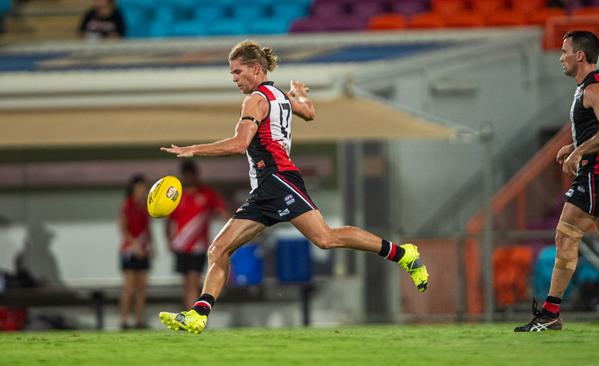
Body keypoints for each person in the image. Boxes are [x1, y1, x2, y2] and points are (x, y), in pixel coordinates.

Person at [158, 40, 429, 334]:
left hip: (278, 179)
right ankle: (199, 314)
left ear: (255, 68)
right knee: (218, 249)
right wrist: (298, 95)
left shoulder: (255, 100)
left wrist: (194, 149)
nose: (233, 78)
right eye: (231, 73)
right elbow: (310, 114)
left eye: (237, 72)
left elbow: (240, 144)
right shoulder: (280, 96)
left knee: (326, 238)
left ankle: (404, 255)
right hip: (265, 189)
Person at [515, 30, 599, 332]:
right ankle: (551, 314)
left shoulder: (595, 89)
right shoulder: (592, 87)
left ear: (580, 56)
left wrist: (580, 153)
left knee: (566, 235)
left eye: (564, 51)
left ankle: (550, 313)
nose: (560, 57)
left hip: (598, 174)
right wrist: (574, 146)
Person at [166, 160, 228, 309]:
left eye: (190, 174)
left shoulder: (206, 194)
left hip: (198, 247)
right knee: (186, 284)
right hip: (181, 246)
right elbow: (169, 222)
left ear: (195, 175)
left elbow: (222, 212)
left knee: (193, 282)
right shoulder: (177, 196)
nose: (188, 178)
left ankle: (193, 315)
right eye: (185, 175)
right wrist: (169, 241)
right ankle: (188, 313)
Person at [119, 174, 152, 329]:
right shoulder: (128, 205)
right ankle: (124, 321)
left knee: (142, 289)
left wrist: (151, 246)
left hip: (143, 250)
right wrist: (135, 246)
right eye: (140, 187)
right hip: (130, 251)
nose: (143, 190)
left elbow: (148, 229)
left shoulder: (146, 206)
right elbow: (123, 229)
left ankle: (139, 321)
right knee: (129, 288)